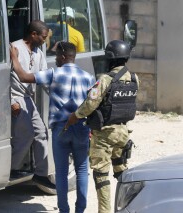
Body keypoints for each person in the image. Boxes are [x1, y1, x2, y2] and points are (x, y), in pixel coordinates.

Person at [10, 41, 95, 213]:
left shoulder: (54, 74)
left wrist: (14, 57)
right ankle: (80, 209)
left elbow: (24, 77)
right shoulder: (88, 77)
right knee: (82, 170)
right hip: (81, 127)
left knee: (61, 172)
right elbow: (93, 104)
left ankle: (64, 210)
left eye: (56, 55)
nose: (55, 58)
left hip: (60, 129)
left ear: (64, 57)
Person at [64, 40, 139, 213]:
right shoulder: (135, 79)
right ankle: (127, 207)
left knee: (101, 176)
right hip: (122, 132)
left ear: (110, 59)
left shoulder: (106, 80)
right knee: (121, 171)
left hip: (104, 135)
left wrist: (74, 116)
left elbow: (90, 103)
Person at [10, 20, 55, 189]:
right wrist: (11, 101)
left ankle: (41, 174)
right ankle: (13, 168)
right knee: (27, 133)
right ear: (33, 34)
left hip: (28, 98)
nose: (45, 41)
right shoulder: (14, 48)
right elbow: (2, 78)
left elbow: (43, 79)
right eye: (43, 37)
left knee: (41, 132)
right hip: (16, 97)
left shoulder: (39, 53)